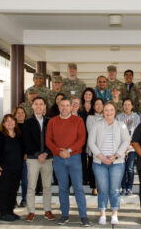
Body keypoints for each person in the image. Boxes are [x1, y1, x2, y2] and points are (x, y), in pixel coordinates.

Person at [45, 97, 90, 227]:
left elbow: (82, 139)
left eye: (67, 105)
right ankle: (64, 215)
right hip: (58, 158)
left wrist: (69, 151)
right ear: (59, 107)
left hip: (74, 158)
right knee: (63, 188)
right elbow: (48, 140)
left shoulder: (78, 120)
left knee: (78, 188)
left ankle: (83, 216)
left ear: (71, 107)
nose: (64, 108)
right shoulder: (52, 121)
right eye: (62, 105)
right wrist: (58, 151)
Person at [88, 102, 131, 225]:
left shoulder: (121, 125)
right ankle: (102, 214)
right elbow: (91, 143)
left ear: (115, 112)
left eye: (111, 110)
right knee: (102, 189)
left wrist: (116, 155)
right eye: (106, 110)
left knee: (115, 189)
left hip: (117, 162)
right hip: (99, 163)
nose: (109, 112)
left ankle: (114, 213)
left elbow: (126, 141)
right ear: (103, 112)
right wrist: (101, 157)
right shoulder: (96, 125)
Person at [22, 97, 55, 222]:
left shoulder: (49, 121)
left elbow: (53, 139)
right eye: (36, 104)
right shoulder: (28, 122)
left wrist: (46, 153)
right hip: (33, 159)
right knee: (31, 186)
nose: (39, 106)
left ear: (45, 107)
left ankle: (47, 210)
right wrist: (37, 154)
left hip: (47, 158)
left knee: (47, 186)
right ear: (32, 106)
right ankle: (31, 211)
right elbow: (26, 141)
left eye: (41, 104)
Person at [0, 114, 24, 222]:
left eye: (12, 121)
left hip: (16, 169)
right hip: (3, 169)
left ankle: (10, 211)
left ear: (15, 123)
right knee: (4, 191)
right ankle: (3, 213)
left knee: (13, 191)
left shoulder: (18, 136)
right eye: (7, 121)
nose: (10, 123)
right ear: (3, 124)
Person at [116, 97, 140, 195]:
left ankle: (129, 187)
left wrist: (130, 143)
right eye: (125, 105)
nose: (127, 107)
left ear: (132, 106)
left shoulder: (136, 117)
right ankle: (123, 187)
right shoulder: (118, 117)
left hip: (132, 147)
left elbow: (137, 131)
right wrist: (124, 145)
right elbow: (117, 132)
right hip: (122, 147)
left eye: (129, 104)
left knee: (130, 168)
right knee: (122, 168)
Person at [86, 97, 105, 195]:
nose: (99, 106)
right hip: (93, 147)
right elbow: (91, 131)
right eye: (96, 104)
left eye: (100, 104)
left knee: (103, 168)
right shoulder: (90, 118)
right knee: (93, 168)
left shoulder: (106, 116)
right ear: (93, 106)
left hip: (105, 147)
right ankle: (94, 187)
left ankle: (103, 187)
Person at [79, 88, 97, 186]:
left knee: (91, 158)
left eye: (90, 94)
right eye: (86, 94)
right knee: (82, 158)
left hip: (92, 136)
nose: (88, 96)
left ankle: (91, 179)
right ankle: (84, 178)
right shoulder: (79, 108)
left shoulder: (95, 108)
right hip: (81, 136)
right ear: (83, 96)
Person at [14, 106, 29, 208]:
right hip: (14, 159)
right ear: (15, 115)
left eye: (22, 112)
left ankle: (24, 199)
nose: (20, 114)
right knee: (14, 181)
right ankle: (13, 199)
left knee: (25, 181)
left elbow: (30, 142)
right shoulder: (12, 127)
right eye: (18, 113)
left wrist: (27, 153)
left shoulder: (28, 126)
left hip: (25, 158)